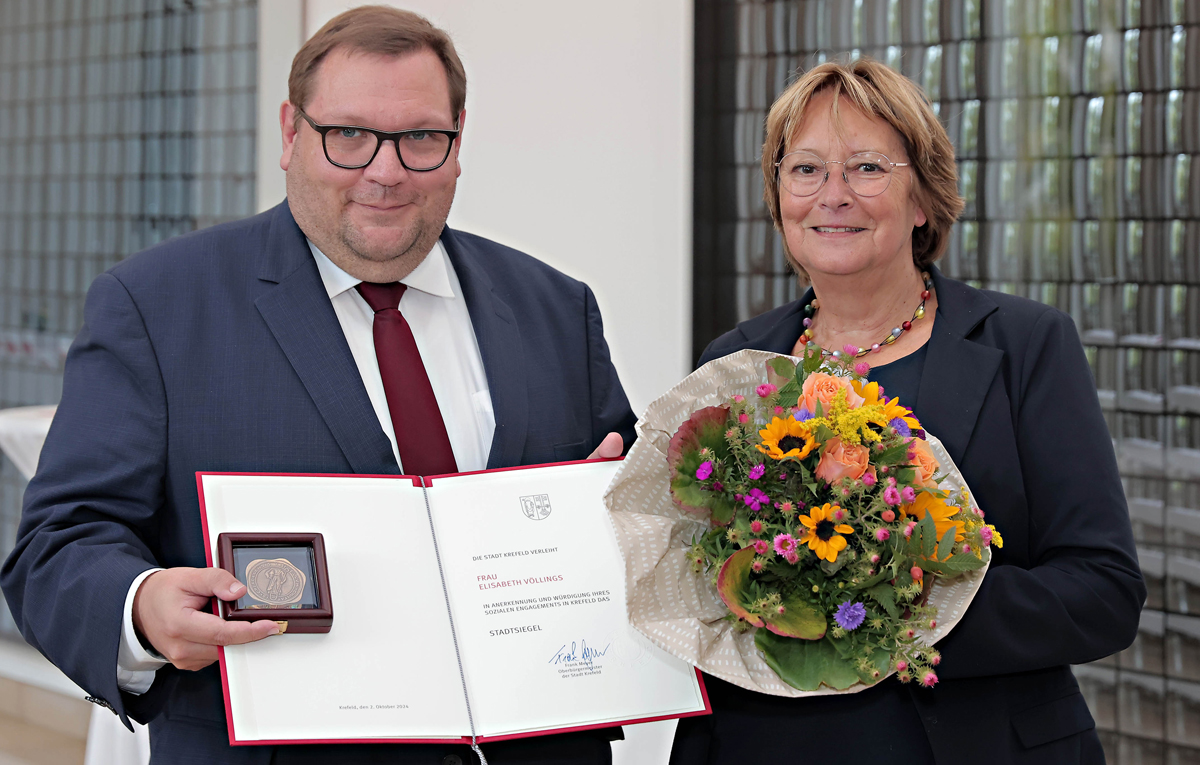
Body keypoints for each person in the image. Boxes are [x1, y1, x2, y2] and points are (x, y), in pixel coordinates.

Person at [1, 7, 633, 764]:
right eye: (350, 134)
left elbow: (630, 514)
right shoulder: (159, 307)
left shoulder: (557, 309)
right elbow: (57, 547)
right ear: (291, 134)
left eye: (420, 137)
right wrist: (140, 609)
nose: (386, 169)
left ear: (458, 141)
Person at [670, 59, 1145, 765]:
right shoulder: (735, 362)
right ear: (778, 200)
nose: (833, 196)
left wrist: (892, 604)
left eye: (866, 168)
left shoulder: (1025, 345)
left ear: (923, 198)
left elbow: (1103, 592)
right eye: (805, 170)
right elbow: (700, 578)